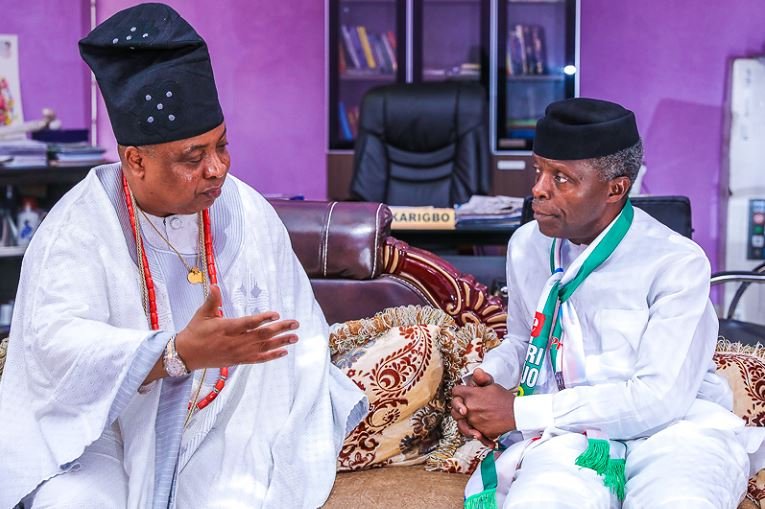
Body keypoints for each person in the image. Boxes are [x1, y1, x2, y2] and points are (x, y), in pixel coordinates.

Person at [0, 4, 366, 508]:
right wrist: (175, 353)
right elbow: (56, 348)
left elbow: (297, 336)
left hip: (226, 416)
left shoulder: (246, 212)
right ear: (136, 161)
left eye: (222, 146)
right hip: (103, 428)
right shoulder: (79, 225)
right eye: (193, 158)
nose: (217, 169)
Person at [451, 97, 764, 508]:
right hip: (568, 431)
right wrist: (483, 381)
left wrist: (519, 413)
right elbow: (526, 342)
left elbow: (657, 399)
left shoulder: (676, 261)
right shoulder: (527, 245)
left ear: (615, 188)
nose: (537, 190)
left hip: (675, 429)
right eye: (538, 169)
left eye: (561, 178)